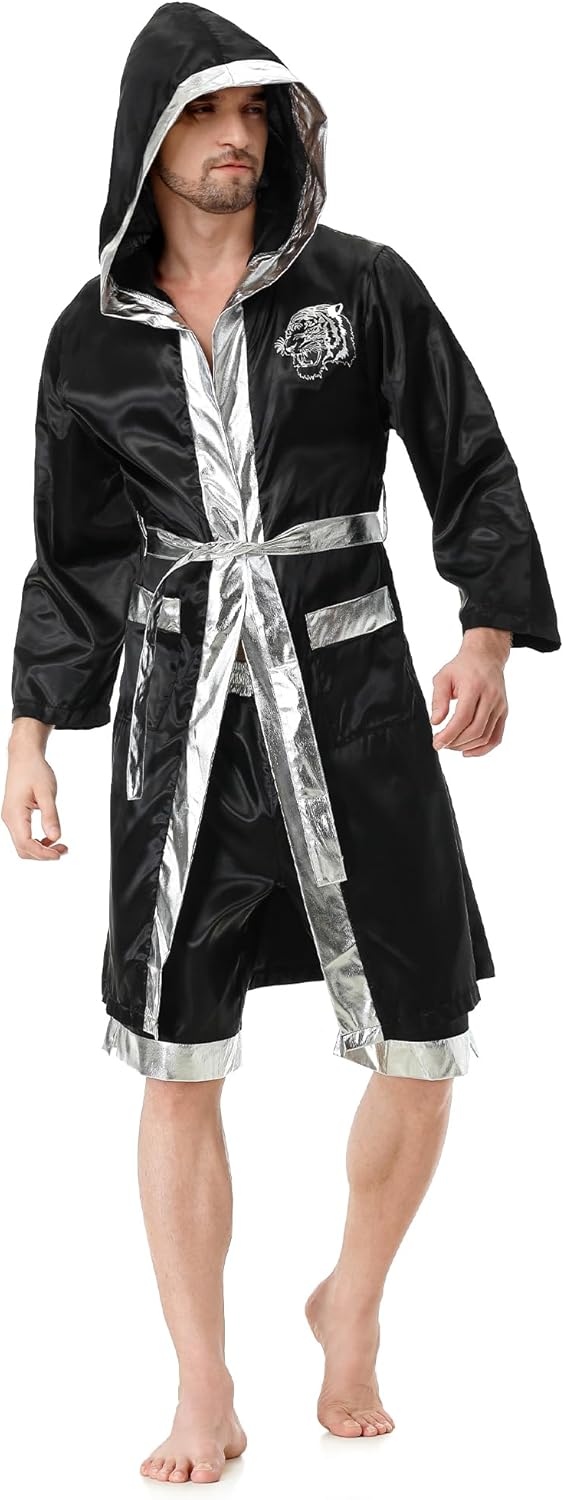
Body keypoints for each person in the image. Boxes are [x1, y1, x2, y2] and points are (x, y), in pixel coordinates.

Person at [3, 0, 560, 1484]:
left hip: (356, 702)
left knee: (426, 1035)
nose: (235, 138)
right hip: (179, 721)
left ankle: (350, 1303)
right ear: (147, 137)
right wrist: (32, 729)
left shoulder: (359, 286)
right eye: (203, 113)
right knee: (176, 1058)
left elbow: (469, 455)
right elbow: (74, 557)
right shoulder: (88, 339)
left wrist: (489, 631)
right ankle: (204, 1388)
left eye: (254, 111)